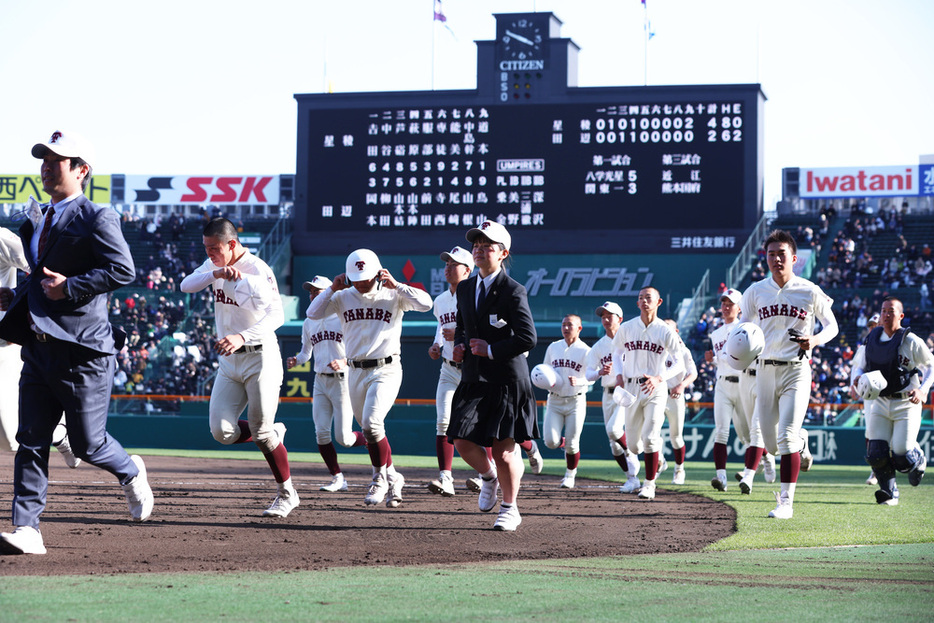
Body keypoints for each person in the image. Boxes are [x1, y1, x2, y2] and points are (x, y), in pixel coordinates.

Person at [0, 130, 153, 555]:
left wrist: (69, 288)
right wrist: (15, 297)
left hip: (84, 350)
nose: (47, 166)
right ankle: (27, 529)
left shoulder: (97, 216)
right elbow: (37, 277)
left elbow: (123, 270)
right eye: (44, 159)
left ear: (82, 169)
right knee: (31, 439)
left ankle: (129, 471)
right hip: (37, 346)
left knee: (88, 444)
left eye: (58, 160)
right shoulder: (34, 219)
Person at [179, 217, 297, 517]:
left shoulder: (258, 269)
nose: (210, 254)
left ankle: (287, 494)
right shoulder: (213, 265)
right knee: (221, 431)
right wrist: (214, 271)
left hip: (260, 357)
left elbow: (277, 316)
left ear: (232, 244)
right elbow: (185, 285)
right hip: (229, 361)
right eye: (206, 248)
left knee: (260, 432)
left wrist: (242, 335)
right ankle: (272, 431)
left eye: (215, 248)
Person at [307, 248, 432, 508]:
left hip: (386, 368)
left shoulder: (393, 294)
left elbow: (426, 304)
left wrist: (398, 285)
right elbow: (313, 314)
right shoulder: (342, 296)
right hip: (354, 372)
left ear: (377, 273)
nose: (361, 282)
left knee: (373, 424)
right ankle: (394, 476)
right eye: (356, 277)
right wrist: (331, 289)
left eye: (365, 277)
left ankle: (378, 479)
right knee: (369, 430)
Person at [739, 229, 838, 519]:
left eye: (781, 254)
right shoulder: (755, 291)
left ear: (794, 258)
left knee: (785, 437)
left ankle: (785, 503)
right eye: (771, 254)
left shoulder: (809, 289)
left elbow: (831, 326)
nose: (776, 259)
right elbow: (743, 329)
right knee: (770, 444)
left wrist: (816, 340)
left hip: (796, 369)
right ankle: (802, 443)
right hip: (765, 370)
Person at [447, 220, 537, 531]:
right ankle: (489, 478)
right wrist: (460, 345)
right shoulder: (467, 287)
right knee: (460, 439)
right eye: (477, 245)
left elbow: (528, 338)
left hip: (507, 379)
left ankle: (511, 509)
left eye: (488, 246)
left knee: (504, 448)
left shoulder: (514, 291)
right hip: (473, 377)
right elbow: (462, 325)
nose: (480, 250)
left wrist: (492, 349)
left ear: (503, 254)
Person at [286, 275, 367, 493]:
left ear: (329, 293)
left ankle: (373, 441)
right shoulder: (309, 321)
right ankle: (338, 478)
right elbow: (306, 353)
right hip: (320, 381)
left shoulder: (341, 316)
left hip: (342, 381)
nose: (312, 294)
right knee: (321, 434)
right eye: (310, 291)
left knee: (345, 438)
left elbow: (359, 345)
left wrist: (344, 361)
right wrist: (297, 359)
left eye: (317, 291)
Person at [849, 297, 932, 506]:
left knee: (902, 456)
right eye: (883, 310)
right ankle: (889, 491)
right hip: (879, 402)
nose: (886, 315)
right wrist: (856, 380)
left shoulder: (910, 340)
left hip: (906, 403)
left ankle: (918, 458)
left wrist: (923, 390)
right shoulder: (871, 338)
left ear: (901, 315)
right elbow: (859, 365)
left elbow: (931, 365)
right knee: (875, 453)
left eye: (891, 311)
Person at [426, 246, 489, 497]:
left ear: (468, 269)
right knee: (443, 421)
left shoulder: (478, 294)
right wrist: (437, 344)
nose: (448, 268)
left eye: (454, 264)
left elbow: (488, 332)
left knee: (483, 424)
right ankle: (446, 478)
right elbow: (440, 329)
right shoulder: (440, 300)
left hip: (475, 368)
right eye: (447, 264)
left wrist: (463, 334)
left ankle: (489, 473)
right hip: (448, 368)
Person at [612, 287, 684, 501]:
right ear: (637, 303)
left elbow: (679, 362)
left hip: (655, 388)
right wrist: (619, 375)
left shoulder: (665, 330)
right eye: (641, 298)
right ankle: (657, 458)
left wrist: (660, 378)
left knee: (651, 437)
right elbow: (617, 353)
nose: (644, 301)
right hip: (632, 388)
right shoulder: (627, 327)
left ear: (658, 302)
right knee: (634, 444)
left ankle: (649, 484)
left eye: (648, 298)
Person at [705, 289, 774, 493]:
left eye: (731, 303)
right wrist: (714, 359)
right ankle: (722, 478)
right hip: (724, 383)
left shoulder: (748, 327)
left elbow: (731, 356)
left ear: (740, 307)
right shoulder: (715, 333)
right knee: (724, 431)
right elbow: (724, 358)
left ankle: (765, 458)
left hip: (746, 381)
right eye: (724, 303)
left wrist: (718, 358)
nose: (726, 307)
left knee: (751, 433)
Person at [585, 301, 641, 493]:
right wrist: (600, 372)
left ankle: (635, 458)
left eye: (610, 316)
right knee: (613, 445)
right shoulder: (599, 346)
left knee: (614, 430)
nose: (606, 319)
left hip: (628, 391)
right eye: (603, 316)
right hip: (608, 393)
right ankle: (632, 478)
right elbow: (588, 374)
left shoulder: (631, 340)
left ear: (620, 319)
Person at [539, 314, 592, 488]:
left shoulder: (586, 350)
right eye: (563, 324)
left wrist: (581, 381)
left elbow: (592, 376)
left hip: (576, 401)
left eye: (570, 325)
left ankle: (570, 475)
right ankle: (563, 442)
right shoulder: (554, 347)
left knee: (573, 443)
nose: (566, 328)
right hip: (554, 400)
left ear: (579, 328)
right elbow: (545, 369)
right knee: (550, 442)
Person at [661, 318, 697, 485]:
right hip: (658, 394)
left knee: (676, 437)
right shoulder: (657, 349)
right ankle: (659, 461)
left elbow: (693, 373)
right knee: (649, 433)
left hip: (675, 396)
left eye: (669, 328)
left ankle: (679, 469)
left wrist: (682, 385)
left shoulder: (683, 350)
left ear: (676, 332)